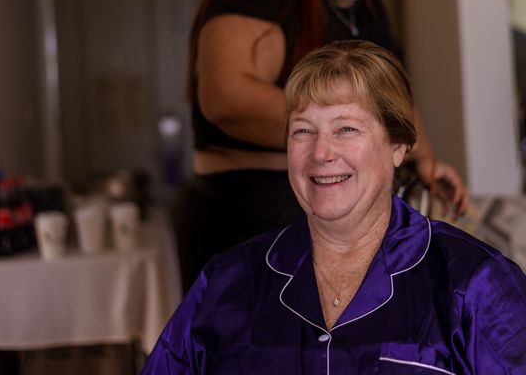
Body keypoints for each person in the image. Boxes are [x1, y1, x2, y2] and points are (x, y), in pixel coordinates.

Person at [143, 40, 526, 374]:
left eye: (346, 129)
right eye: (303, 131)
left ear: (397, 146)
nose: (320, 153)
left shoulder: (476, 283)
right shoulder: (227, 281)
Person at [175, 0, 469, 291]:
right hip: (250, 213)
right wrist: (353, 125)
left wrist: (426, 160)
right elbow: (226, 97)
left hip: (344, 223)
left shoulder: (370, 13)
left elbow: (392, 100)